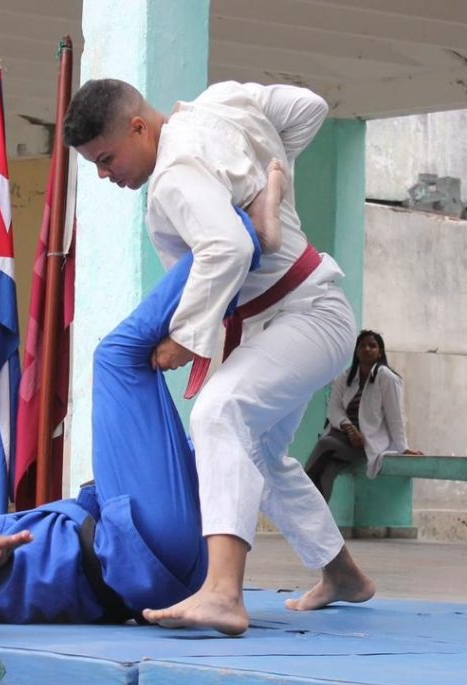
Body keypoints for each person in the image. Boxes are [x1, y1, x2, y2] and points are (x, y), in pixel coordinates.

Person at [0, 202, 279, 631]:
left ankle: (251, 274)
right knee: (116, 357)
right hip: (139, 555)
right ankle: (236, 235)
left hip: (165, 566)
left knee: (220, 431)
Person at [63, 78, 375, 635]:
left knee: (218, 413)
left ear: (138, 126)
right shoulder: (223, 103)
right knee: (256, 453)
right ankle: (343, 574)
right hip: (292, 320)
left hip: (304, 316)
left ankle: (223, 592)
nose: (105, 175)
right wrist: (267, 176)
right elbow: (309, 106)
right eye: (94, 166)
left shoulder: (174, 178)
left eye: (106, 159)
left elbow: (225, 248)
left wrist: (187, 336)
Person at [306, 330, 423, 500]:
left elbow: (395, 416)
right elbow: (334, 410)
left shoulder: (388, 378)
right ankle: (317, 522)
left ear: (380, 352)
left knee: (325, 442)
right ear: (356, 351)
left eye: (372, 346)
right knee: (327, 472)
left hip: (367, 443)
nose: (367, 349)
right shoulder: (345, 377)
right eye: (362, 346)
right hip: (344, 438)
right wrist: (350, 429)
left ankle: (297, 488)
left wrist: (403, 448)